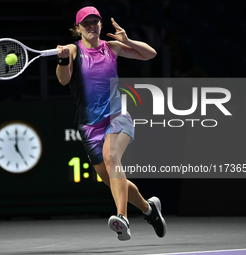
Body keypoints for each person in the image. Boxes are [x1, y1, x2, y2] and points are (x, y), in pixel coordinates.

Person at [56, 6, 166, 241]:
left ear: (101, 25)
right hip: (89, 126)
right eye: (86, 24)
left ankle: (122, 218)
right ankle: (150, 210)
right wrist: (62, 59)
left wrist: (128, 40)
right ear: (78, 29)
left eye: (95, 22)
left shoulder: (111, 47)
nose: (92, 27)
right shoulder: (73, 51)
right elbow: (63, 80)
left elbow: (150, 54)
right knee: (115, 181)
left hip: (117, 115)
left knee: (111, 158)